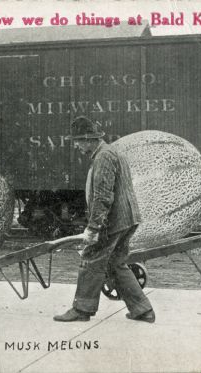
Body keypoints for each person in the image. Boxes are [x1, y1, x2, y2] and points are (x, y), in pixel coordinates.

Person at [54, 116, 155, 323]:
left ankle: (82, 309)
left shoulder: (103, 157)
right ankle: (143, 310)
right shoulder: (112, 152)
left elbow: (102, 196)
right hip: (128, 218)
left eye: (79, 142)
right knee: (116, 263)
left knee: (91, 258)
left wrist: (93, 228)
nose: (78, 147)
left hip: (115, 220)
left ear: (89, 139)